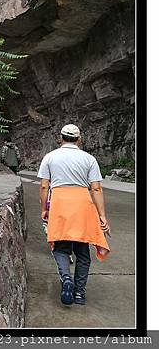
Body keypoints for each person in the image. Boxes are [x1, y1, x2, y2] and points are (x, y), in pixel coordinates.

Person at [37, 124, 111, 306]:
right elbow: (96, 188)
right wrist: (102, 215)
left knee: (61, 247)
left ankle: (66, 280)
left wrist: (44, 209)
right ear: (79, 139)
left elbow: (44, 186)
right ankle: (79, 293)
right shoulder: (89, 159)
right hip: (82, 206)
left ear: (60, 138)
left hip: (60, 204)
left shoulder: (50, 157)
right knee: (82, 252)